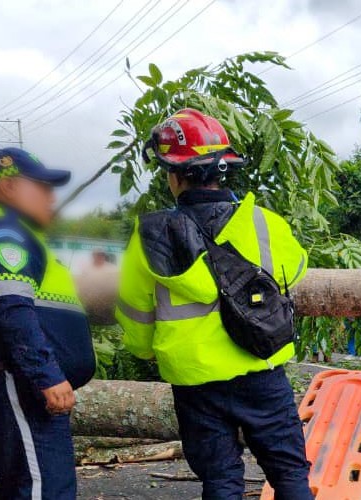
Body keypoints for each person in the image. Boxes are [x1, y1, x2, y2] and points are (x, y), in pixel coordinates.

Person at [115, 109, 314, 499]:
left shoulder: (149, 236)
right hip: (261, 366)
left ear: (173, 175)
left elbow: (136, 313)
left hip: (195, 379)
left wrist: (145, 351)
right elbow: (298, 268)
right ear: (223, 169)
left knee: (220, 477)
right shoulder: (264, 223)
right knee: (290, 473)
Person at [0, 148, 95, 500]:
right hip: (18, 382)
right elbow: (10, 306)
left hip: (19, 382)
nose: (51, 197)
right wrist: (46, 374)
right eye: (43, 187)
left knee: (21, 484)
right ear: (9, 186)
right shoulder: (4, 232)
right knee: (44, 488)